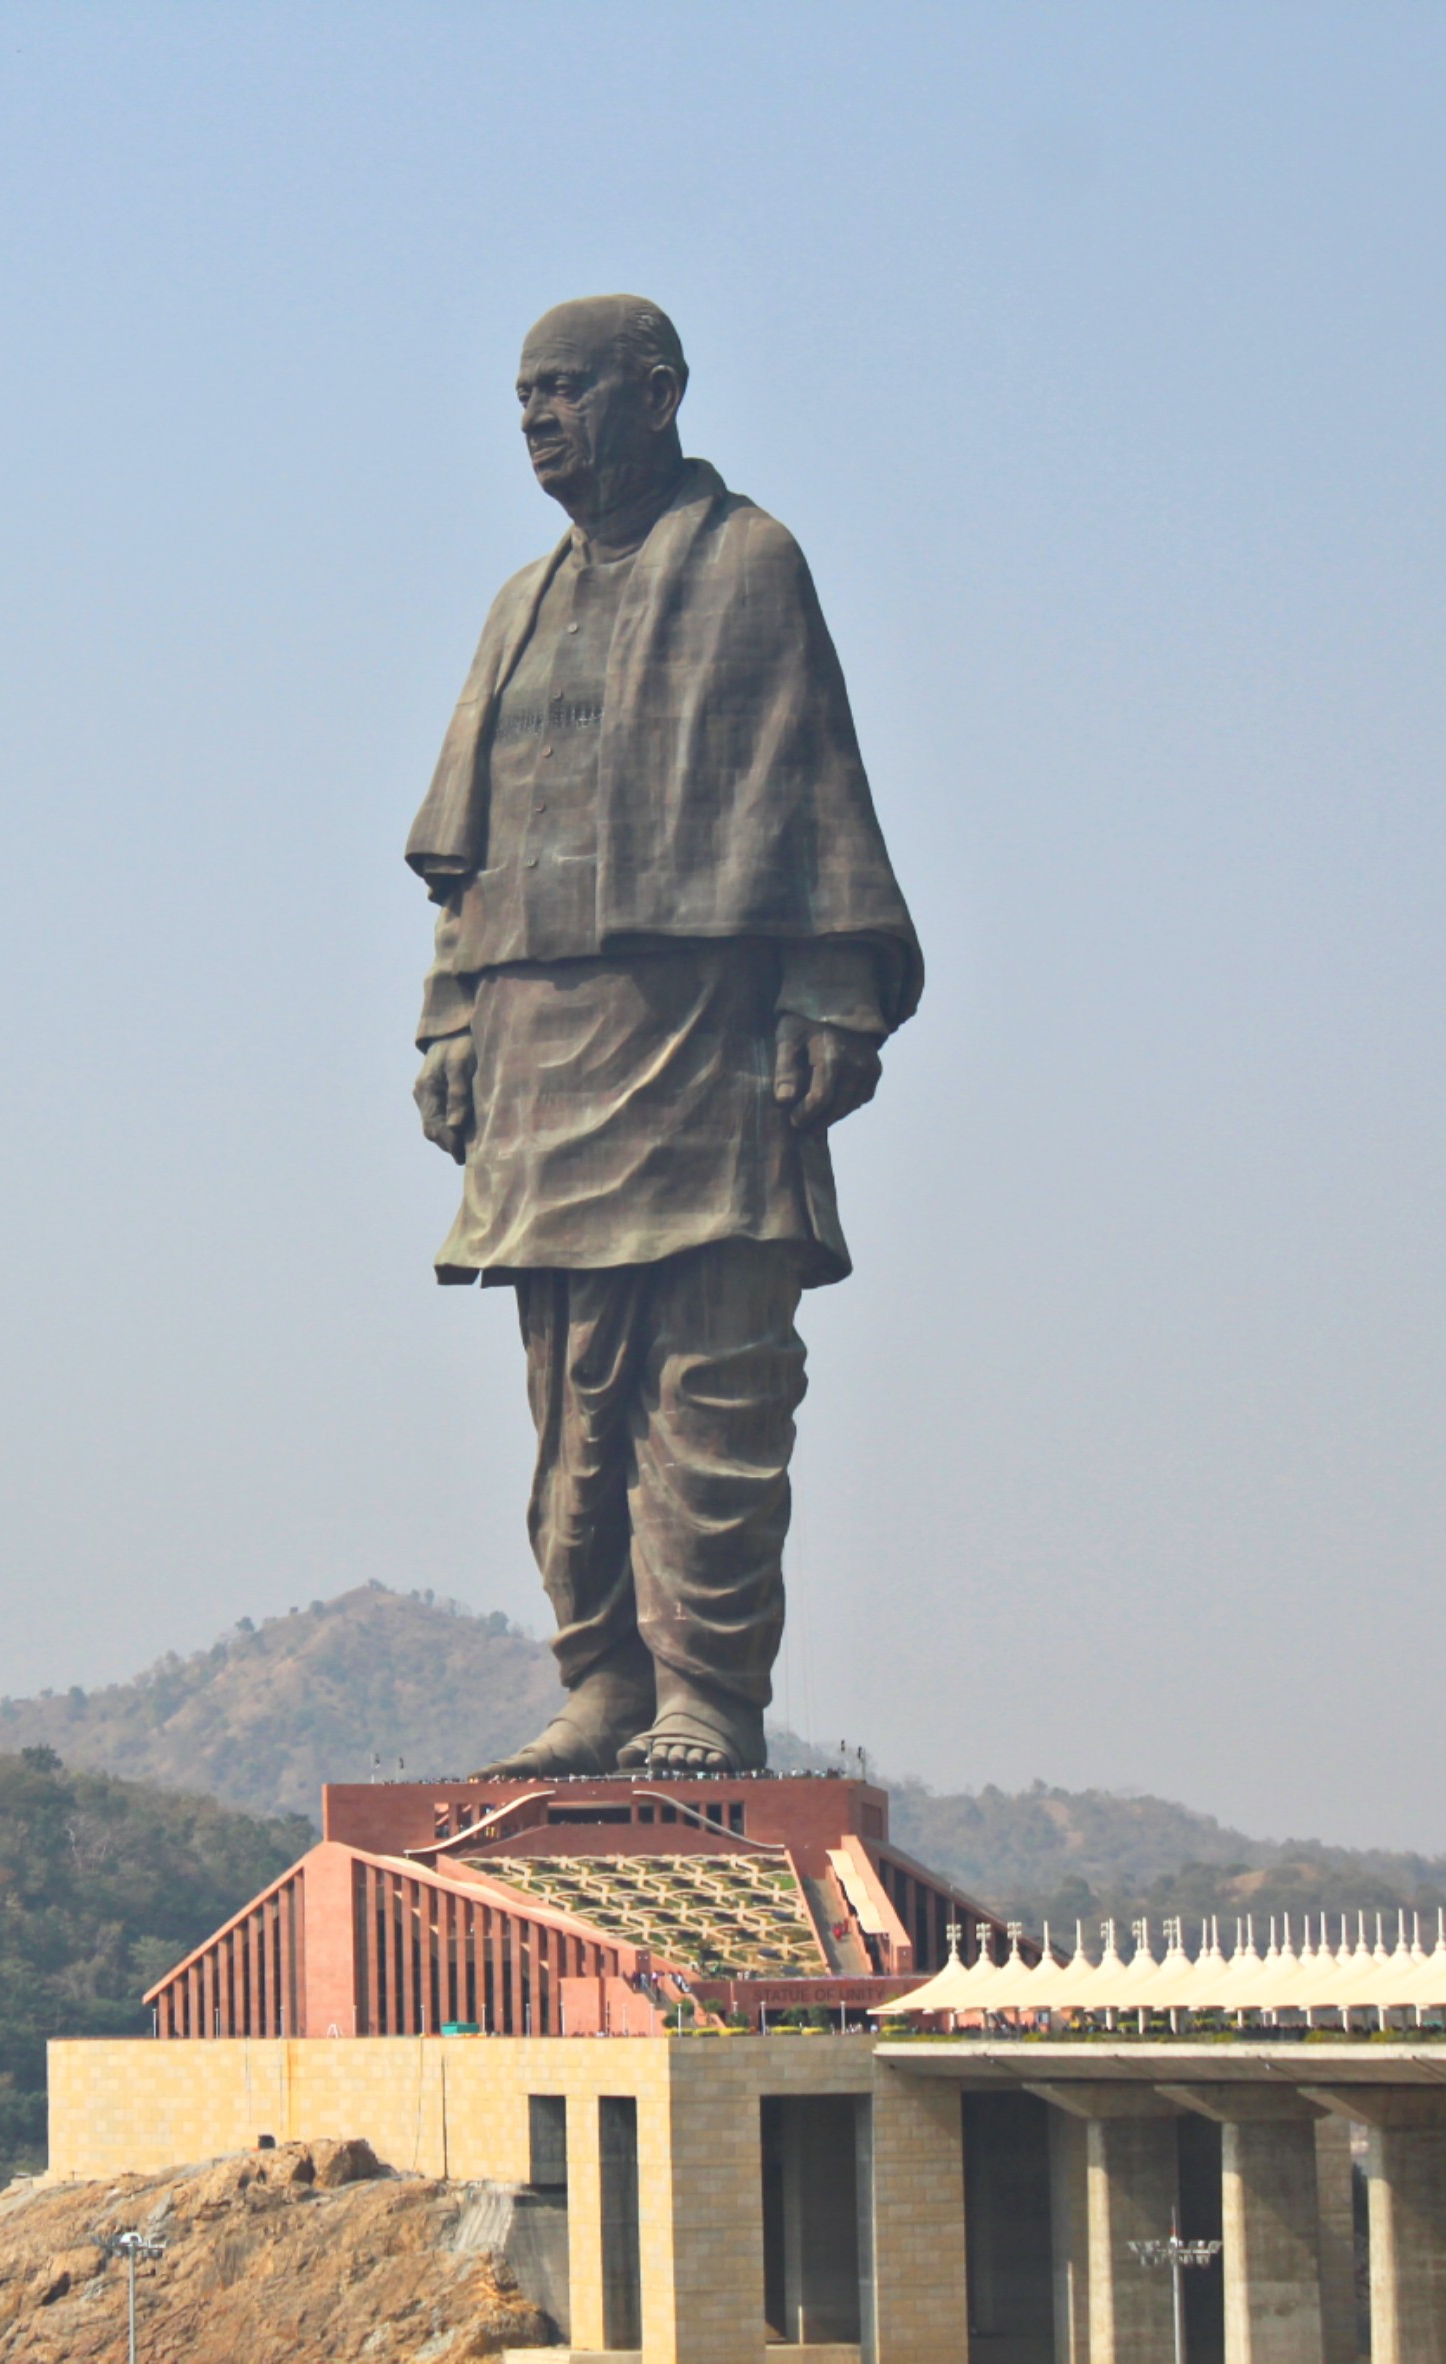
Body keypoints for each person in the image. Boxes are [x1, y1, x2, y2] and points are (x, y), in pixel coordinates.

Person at [406, 295, 921, 1778]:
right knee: (568, 1396)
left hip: (704, 1034)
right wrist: (450, 1019)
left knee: (712, 1376)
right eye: (523, 395)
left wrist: (829, 989)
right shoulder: (518, 603)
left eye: (566, 389)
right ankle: (602, 1679)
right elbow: (467, 852)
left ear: (659, 393)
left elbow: (808, 785)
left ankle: (706, 1690)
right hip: (536, 1035)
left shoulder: (748, 561)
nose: (537, 417)